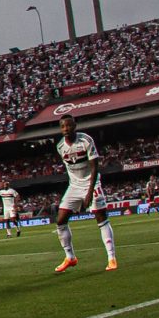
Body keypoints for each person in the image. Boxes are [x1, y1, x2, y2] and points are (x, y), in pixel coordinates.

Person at [52, 115, 118, 273]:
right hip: (74, 186)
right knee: (60, 220)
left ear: (74, 126)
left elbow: (95, 167)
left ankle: (111, 257)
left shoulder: (86, 140)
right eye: (62, 127)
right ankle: (70, 257)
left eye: (68, 126)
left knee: (101, 217)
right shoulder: (60, 146)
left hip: (92, 183)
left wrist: (89, 192)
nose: (66, 129)